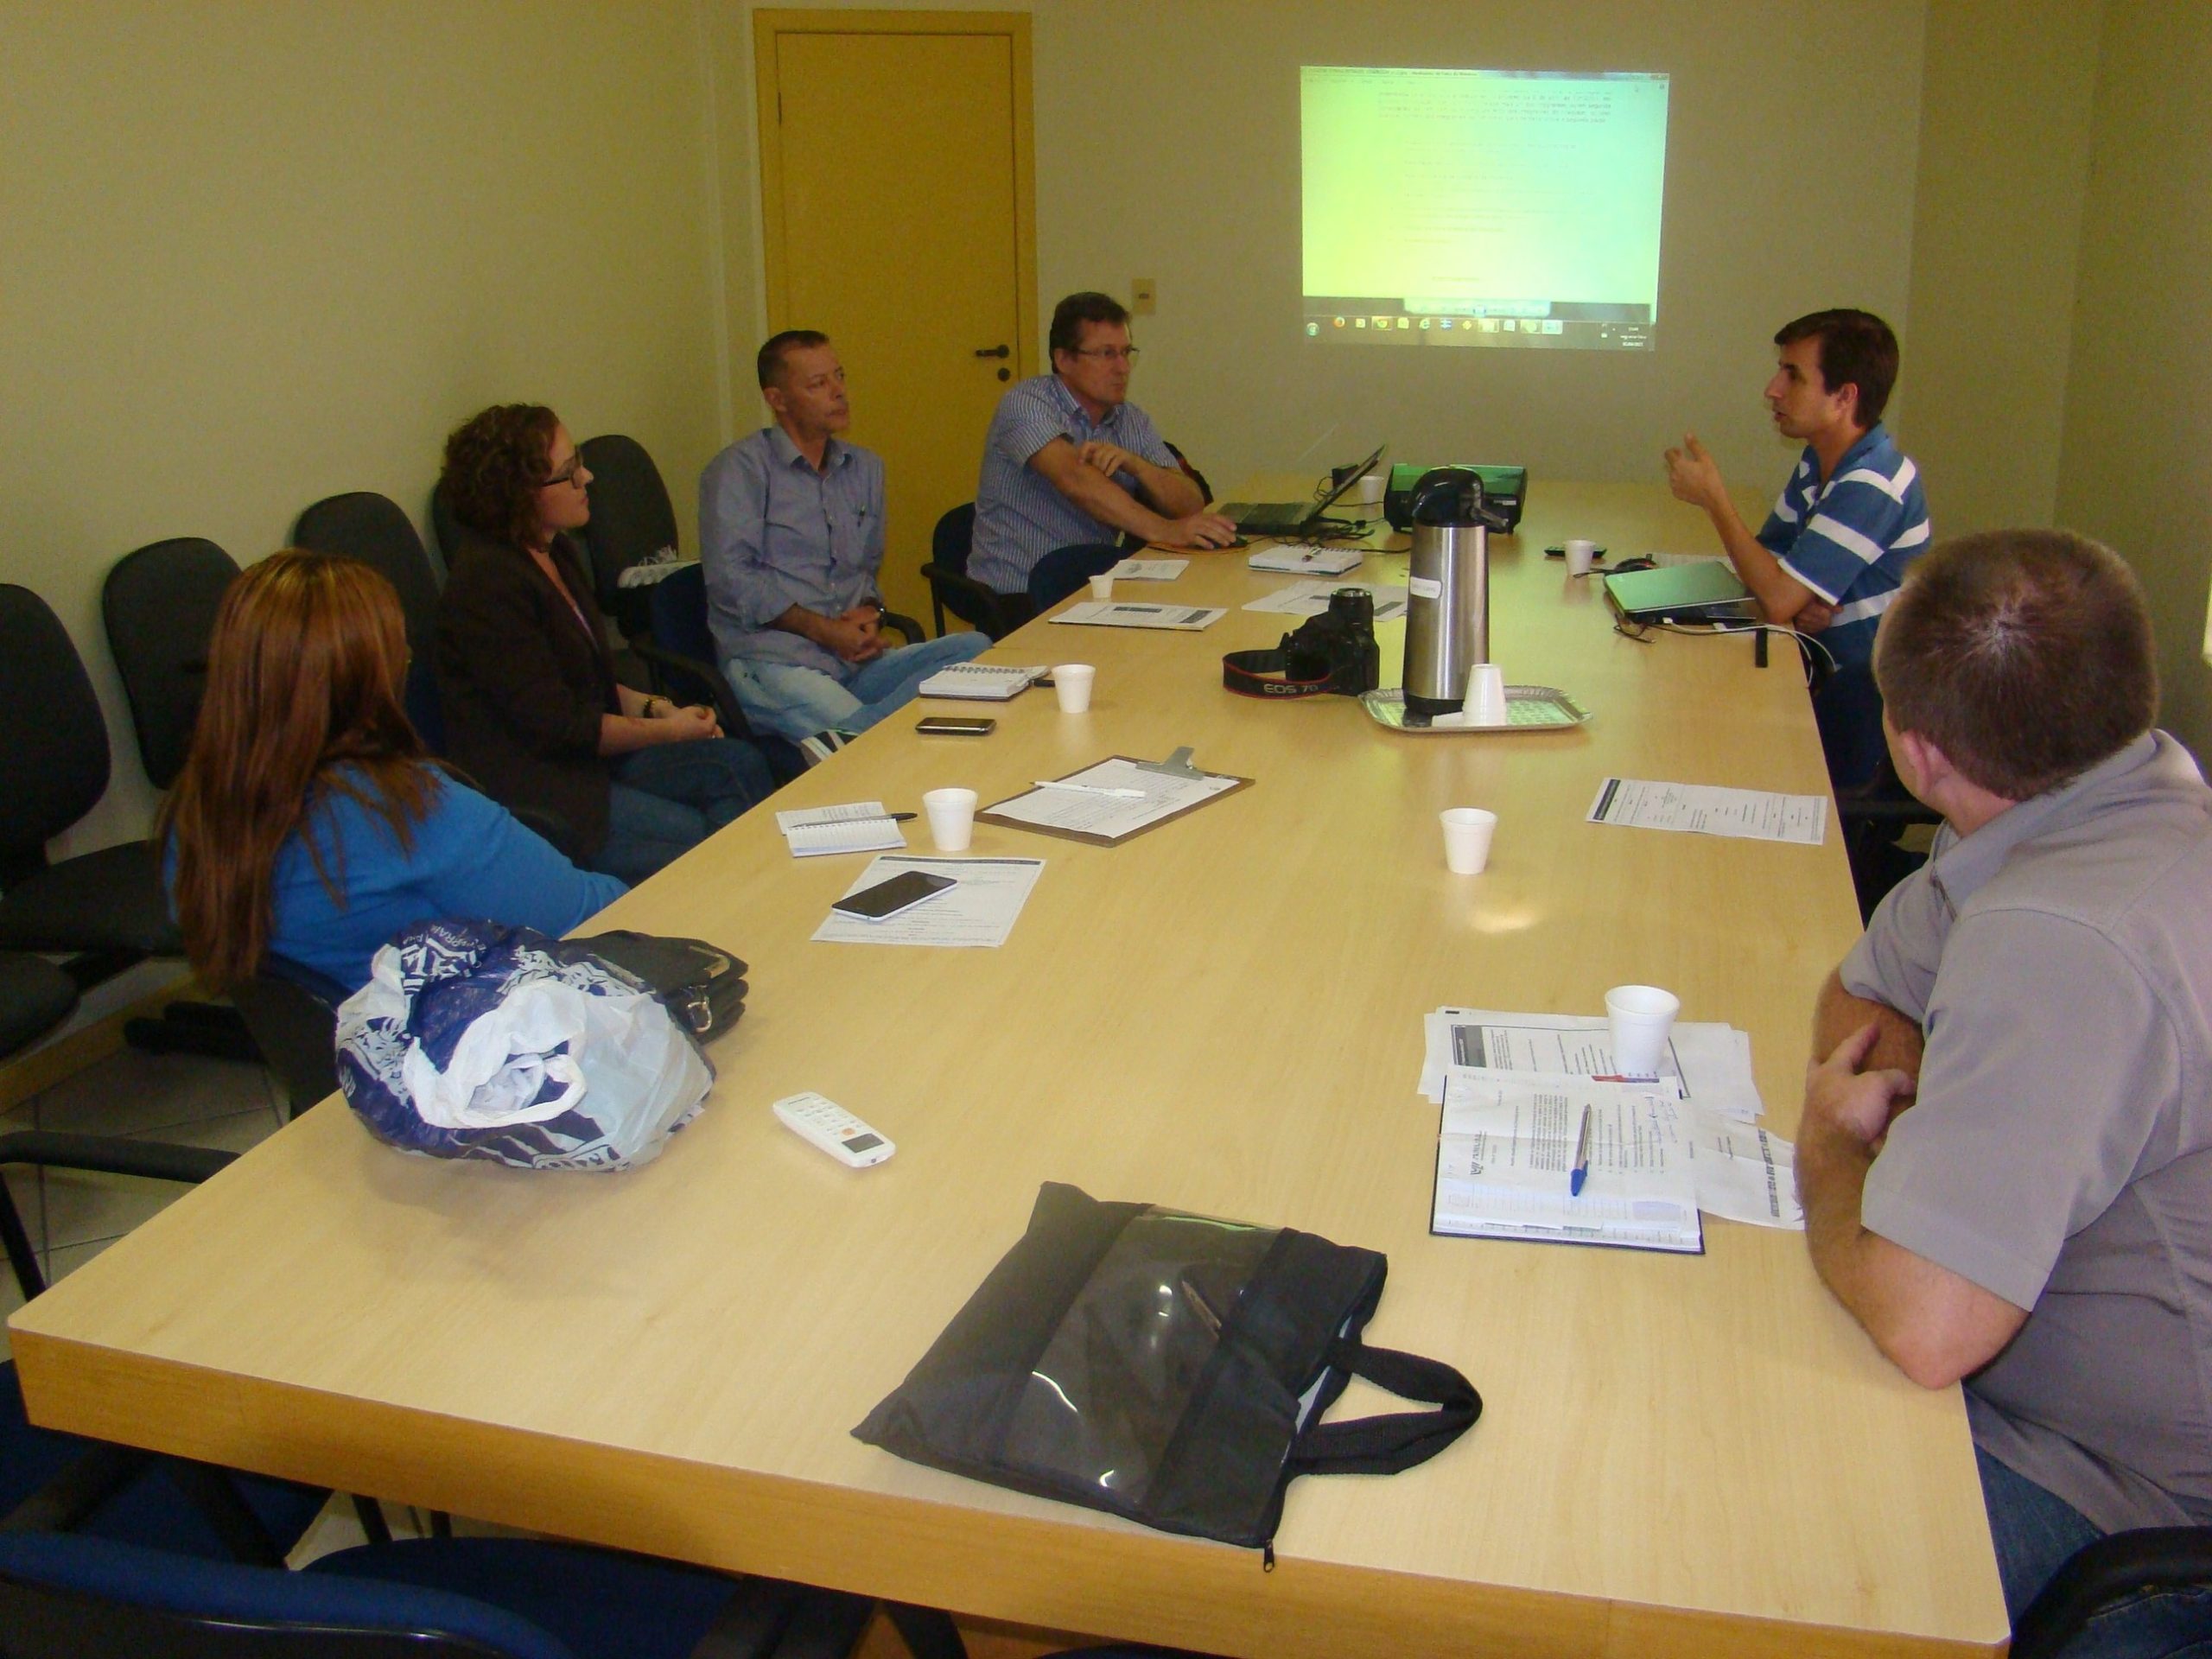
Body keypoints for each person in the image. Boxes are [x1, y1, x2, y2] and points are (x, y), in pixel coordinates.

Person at [1794, 530, 2212, 1649]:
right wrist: (1965, 1108)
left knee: (1714, 1518)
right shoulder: (2099, 805)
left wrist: (1832, 1154)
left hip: (2131, 1507)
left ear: (1919, 757)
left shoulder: (2059, 937)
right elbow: (1865, 998)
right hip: (2048, 1381)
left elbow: (1930, 1329)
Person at [160, 551, 626, 995]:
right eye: (397, 655)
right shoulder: (405, 807)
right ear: (367, 681)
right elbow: (588, 915)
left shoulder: (200, 806)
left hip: (357, 1046)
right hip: (464, 1044)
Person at [435, 404, 774, 885]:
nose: (587, 477)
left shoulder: (556, 552)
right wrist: (671, 733)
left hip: (590, 758)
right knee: (702, 841)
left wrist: (659, 708)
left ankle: (754, 891)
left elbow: (589, 680)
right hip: (548, 784)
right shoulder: (487, 586)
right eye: (570, 472)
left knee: (738, 764)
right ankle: (733, 901)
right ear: (522, 493)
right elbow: (561, 725)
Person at [1663, 308, 1930, 790]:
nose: (1773, 389)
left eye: (1794, 375)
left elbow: (1777, 596)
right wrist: (1788, 592)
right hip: (1813, 670)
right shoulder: (1821, 458)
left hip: (1858, 702)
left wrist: (1714, 500)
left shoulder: (1873, 481)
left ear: (1844, 397)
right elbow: (1766, 566)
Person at [699, 330, 991, 745]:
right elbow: (732, 581)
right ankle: (865, 739)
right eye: (818, 384)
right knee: (879, 741)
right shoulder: (738, 471)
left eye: (839, 377)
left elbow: (866, 568)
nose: (839, 393)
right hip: (774, 663)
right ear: (777, 400)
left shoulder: (865, 468)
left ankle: (858, 733)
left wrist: (869, 614)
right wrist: (824, 630)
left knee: (977, 649)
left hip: (853, 662)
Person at [969, 291, 1237, 608]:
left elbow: (1191, 504)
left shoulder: (1129, 418)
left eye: (1126, 352)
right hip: (1020, 594)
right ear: (1063, 359)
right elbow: (1077, 481)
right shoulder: (1026, 404)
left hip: (1096, 588)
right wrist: (1167, 531)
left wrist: (1138, 466)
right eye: (1107, 354)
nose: (1123, 367)